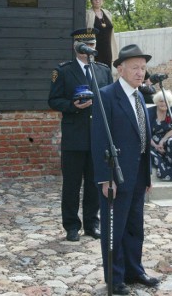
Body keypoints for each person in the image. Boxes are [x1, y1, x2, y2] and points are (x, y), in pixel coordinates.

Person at [91, 44, 159, 295]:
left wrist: (147, 172)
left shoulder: (140, 95)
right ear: (120, 69)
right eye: (135, 68)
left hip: (138, 173)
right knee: (114, 227)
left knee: (135, 226)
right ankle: (115, 277)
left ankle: (134, 269)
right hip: (115, 175)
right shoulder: (106, 95)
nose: (140, 72)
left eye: (143, 67)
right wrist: (104, 179)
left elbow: (143, 137)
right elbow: (98, 140)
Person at [48, 28, 113, 242]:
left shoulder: (103, 70)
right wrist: (73, 106)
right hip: (74, 136)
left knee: (95, 183)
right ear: (75, 47)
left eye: (92, 45)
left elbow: (110, 98)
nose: (89, 49)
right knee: (72, 184)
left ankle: (91, 224)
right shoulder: (64, 71)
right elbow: (53, 100)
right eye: (85, 46)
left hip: (97, 136)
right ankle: (71, 225)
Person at [149, 90, 172, 181]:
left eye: (166, 101)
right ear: (156, 101)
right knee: (149, 151)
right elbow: (145, 132)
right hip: (151, 141)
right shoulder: (149, 112)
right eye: (161, 101)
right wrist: (156, 145)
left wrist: (162, 141)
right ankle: (166, 172)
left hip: (166, 138)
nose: (163, 103)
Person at [86, 0, 118, 68]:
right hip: (95, 49)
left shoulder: (108, 13)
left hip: (107, 49)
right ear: (91, 1)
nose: (97, 1)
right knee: (96, 73)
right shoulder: (87, 14)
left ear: (102, 0)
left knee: (107, 72)